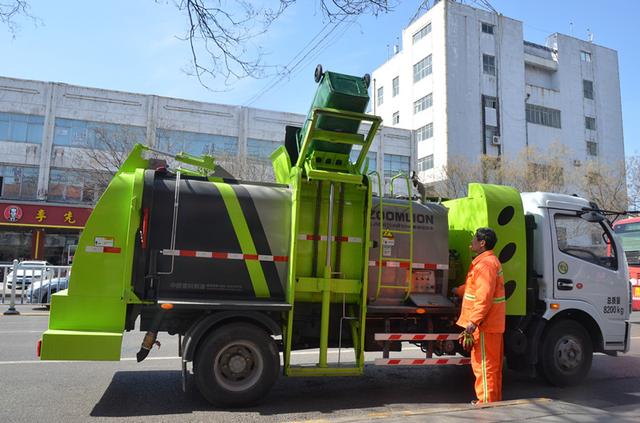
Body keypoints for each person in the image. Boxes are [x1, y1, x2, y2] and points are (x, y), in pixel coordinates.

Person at [452, 227, 506, 404]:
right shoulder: (487, 262)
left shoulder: (485, 264)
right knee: (492, 366)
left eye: (475, 239)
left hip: (484, 325)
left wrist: (473, 322)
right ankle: (493, 402)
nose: (472, 241)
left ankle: (486, 403)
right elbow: (473, 288)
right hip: (490, 324)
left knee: (484, 366)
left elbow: (484, 297)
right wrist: (456, 291)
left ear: (482, 243)